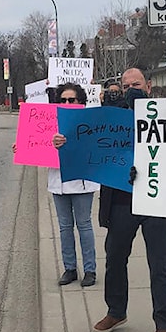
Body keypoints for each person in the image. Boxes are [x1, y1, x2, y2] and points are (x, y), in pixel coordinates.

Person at [86, 68, 166, 332]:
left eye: (136, 85)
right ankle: (116, 311)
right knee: (114, 257)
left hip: (157, 198)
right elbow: (89, 142)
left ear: (148, 86)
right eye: (125, 86)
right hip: (122, 199)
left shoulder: (165, 114)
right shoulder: (111, 115)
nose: (130, 90)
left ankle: (164, 322)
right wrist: (62, 143)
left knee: (159, 262)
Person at [47, 83, 100, 287]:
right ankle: (70, 268)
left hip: (81, 182)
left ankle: (90, 269)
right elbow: (37, 143)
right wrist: (23, 147)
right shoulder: (51, 121)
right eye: (63, 100)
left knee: (84, 225)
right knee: (64, 227)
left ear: (81, 102)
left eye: (72, 100)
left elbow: (94, 147)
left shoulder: (89, 122)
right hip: (58, 181)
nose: (67, 103)